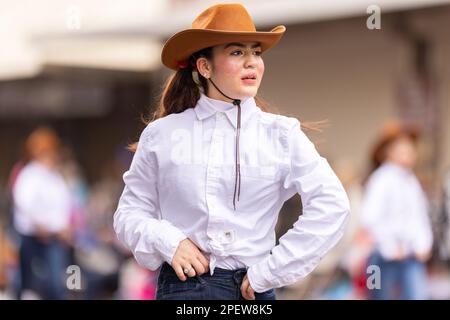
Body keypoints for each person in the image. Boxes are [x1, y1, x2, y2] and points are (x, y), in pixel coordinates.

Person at [114, 3, 350, 300]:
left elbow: (333, 205)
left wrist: (272, 269)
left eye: (257, 53)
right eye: (238, 52)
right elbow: (129, 213)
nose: (252, 62)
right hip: (184, 289)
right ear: (205, 66)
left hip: (253, 291)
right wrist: (169, 241)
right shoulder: (163, 134)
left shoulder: (282, 134)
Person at [361, 121, 433, 300]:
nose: (408, 154)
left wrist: (423, 243)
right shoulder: (381, 179)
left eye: (410, 149)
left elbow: (419, 216)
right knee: (379, 294)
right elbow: (370, 218)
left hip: (410, 254)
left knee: (417, 295)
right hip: (383, 256)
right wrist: (390, 246)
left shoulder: (411, 180)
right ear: (388, 152)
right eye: (402, 149)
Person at [12, 127, 72, 299]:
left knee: (58, 284)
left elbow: (63, 206)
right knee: (33, 286)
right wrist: (44, 226)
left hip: (55, 238)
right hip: (35, 239)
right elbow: (25, 205)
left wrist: (64, 228)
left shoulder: (55, 177)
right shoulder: (29, 174)